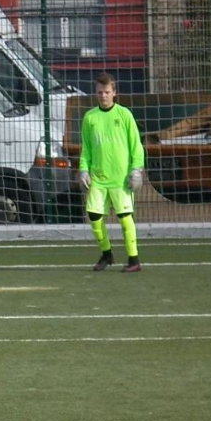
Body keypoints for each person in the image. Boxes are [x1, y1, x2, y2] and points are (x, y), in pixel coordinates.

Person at [78, 72, 145, 273]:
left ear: (114, 92)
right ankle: (107, 254)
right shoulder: (90, 117)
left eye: (107, 92)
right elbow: (86, 149)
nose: (103, 96)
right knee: (94, 216)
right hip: (98, 178)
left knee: (125, 218)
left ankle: (134, 260)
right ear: (95, 93)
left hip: (120, 179)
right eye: (100, 92)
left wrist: (137, 170)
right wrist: (83, 170)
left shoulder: (124, 115)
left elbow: (136, 146)